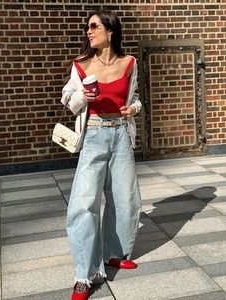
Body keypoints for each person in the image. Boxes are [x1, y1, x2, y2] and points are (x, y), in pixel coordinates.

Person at [61, 10, 142, 300]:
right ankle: (84, 275)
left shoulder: (129, 63)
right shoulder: (81, 65)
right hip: (94, 135)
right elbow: (69, 101)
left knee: (124, 198)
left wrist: (133, 109)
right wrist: (84, 96)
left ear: (110, 31)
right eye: (87, 27)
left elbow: (134, 99)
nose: (88, 31)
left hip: (120, 134)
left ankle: (114, 254)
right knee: (83, 204)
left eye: (94, 26)